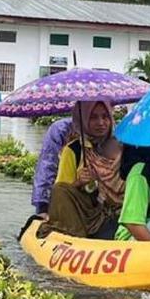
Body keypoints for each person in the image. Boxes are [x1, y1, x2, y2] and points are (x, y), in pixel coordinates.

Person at [42, 100, 125, 239]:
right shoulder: (73, 151)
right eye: (93, 117)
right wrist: (79, 182)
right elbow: (61, 194)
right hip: (86, 213)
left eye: (105, 117)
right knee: (59, 190)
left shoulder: (124, 147)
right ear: (83, 120)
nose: (101, 122)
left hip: (121, 211)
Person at [32, 116, 75, 216]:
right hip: (60, 198)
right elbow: (47, 165)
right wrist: (43, 205)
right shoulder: (62, 129)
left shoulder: (109, 132)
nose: (100, 122)